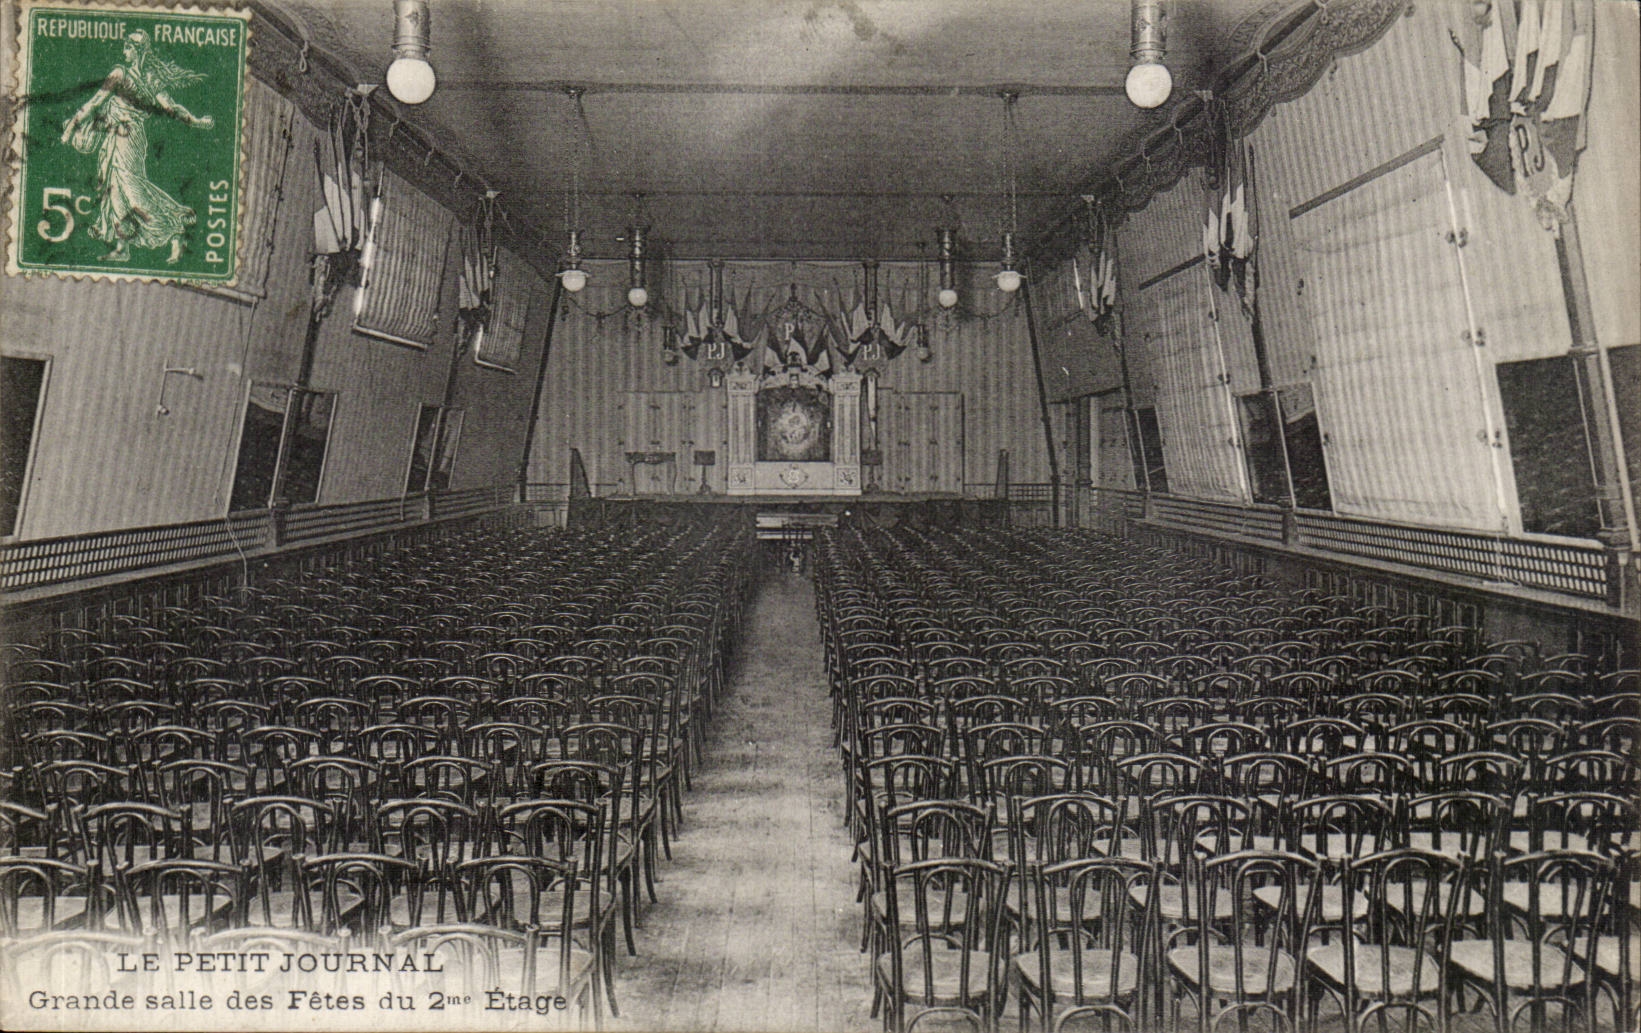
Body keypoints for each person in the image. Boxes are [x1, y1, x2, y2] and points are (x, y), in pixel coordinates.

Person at [60, 30, 214, 264]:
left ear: (138, 50)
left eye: (128, 47)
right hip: (115, 136)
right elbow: (96, 102)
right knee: (115, 193)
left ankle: (175, 230)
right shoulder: (124, 75)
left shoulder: (140, 78)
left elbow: (172, 107)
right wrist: (73, 126)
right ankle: (123, 248)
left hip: (129, 139)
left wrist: (196, 121)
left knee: (133, 193)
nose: (124, 52)